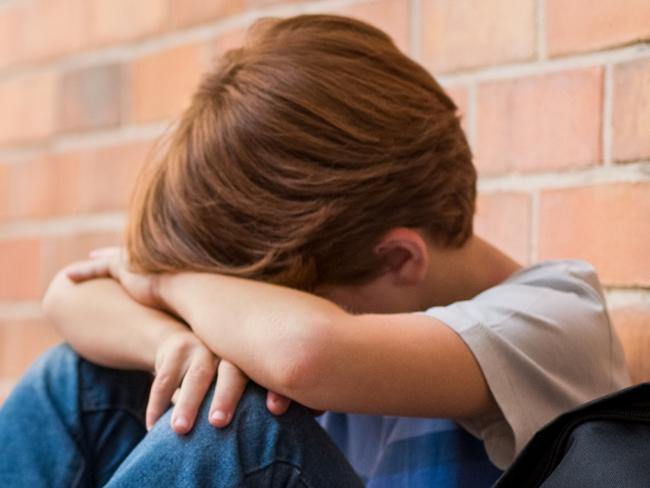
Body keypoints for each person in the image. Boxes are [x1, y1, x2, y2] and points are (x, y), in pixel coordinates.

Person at [0, 14, 630, 487]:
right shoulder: (343, 294)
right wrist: (169, 341)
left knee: (237, 430)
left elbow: (305, 351)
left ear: (399, 261)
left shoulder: (558, 317)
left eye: (276, 298)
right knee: (83, 379)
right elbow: (71, 292)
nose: (249, 315)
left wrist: (167, 287)